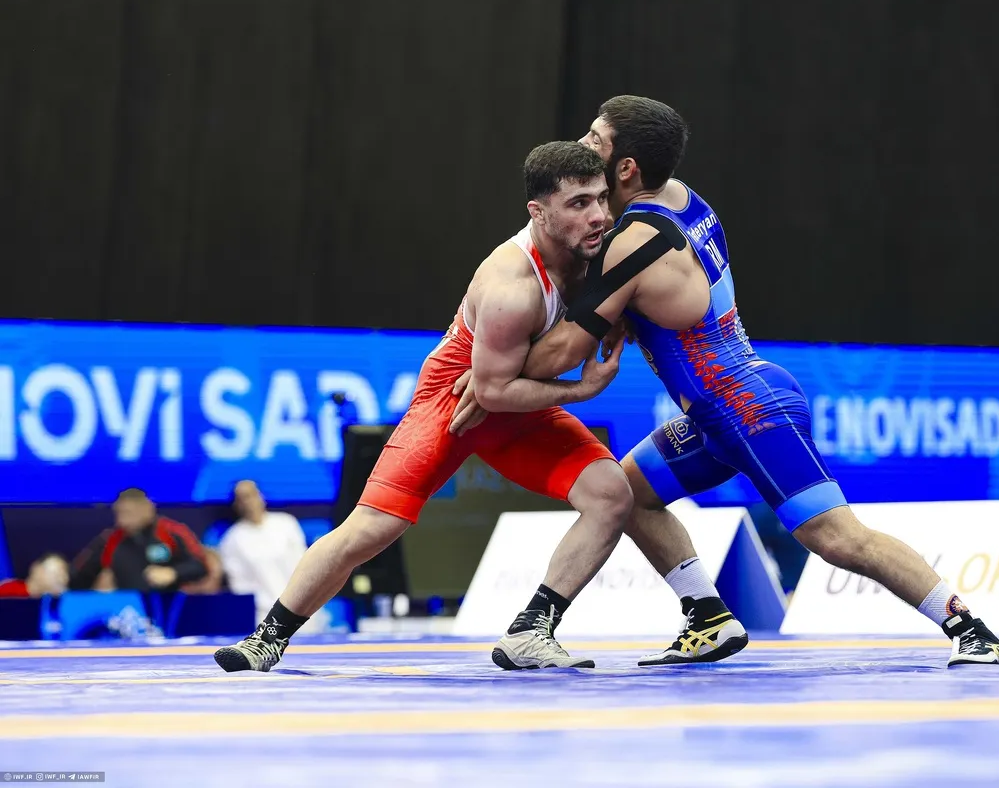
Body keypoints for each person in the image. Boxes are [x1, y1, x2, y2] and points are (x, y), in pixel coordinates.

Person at [453, 96, 999, 667]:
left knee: (837, 538)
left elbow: (563, 352)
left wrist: (490, 370)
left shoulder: (632, 242)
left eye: (596, 139)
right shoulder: (681, 198)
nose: (584, 144)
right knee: (628, 493)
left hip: (749, 409)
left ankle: (971, 629)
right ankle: (708, 617)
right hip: (722, 408)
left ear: (626, 168)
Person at [214, 141, 634, 673]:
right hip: (453, 401)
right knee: (371, 528)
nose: (598, 216)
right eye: (578, 204)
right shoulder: (510, 284)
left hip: (514, 401)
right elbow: (492, 392)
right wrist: (580, 391)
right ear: (538, 212)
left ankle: (531, 630)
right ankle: (266, 638)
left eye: (601, 199)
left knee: (611, 494)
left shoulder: (601, 244)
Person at [70, 488, 211, 593]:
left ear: (148, 509)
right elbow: (80, 575)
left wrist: (173, 573)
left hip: (169, 604)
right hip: (129, 608)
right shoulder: (110, 540)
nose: (122, 520)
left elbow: (200, 566)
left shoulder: (171, 532)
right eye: (119, 513)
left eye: (128, 513)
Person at [218, 480, 310, 621]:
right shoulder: (231, 540)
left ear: (261, 496)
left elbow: (304, 564)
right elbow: (240, 586)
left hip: (303, 607)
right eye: (242, 498)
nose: (248, 502)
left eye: (251, 495)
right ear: (236, 505)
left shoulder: (287, 523)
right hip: (263, 616)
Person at [0, 553, 69, 599]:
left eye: (64, 574)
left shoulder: (58, 603)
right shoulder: (8, 591)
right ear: (36, 570)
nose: (63, 579)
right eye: (57, 573)